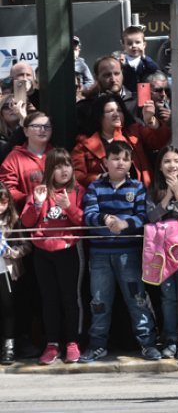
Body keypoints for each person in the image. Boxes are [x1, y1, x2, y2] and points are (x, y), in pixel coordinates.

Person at [79, 141, 161, 362]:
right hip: (100, 256)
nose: (120, 163)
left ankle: (148, 343)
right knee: (99, 301)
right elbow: (88, 216)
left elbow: (143, 216)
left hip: (129, 255)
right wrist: (105, 218)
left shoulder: (138, 187)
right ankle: (97, 344)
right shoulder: (95, 187)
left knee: (137, 299)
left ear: (131, 162)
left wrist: (125, 223)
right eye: (115, 158)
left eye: (125, 159)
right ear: (105, 162)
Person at [20, 148, 85, 365]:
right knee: (49, 299)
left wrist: (69, 207)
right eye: (58, 166)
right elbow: (27, 222)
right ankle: (52, 343)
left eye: (67, 165)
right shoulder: (40, 191)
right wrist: (38, 203)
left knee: (71, 298)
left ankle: (73, 342)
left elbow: (84, 222)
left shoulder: (78, 190)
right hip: (43, 252)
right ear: (49, 170)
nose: (64, 170)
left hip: (68, 250)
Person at [146, 146, 178, 360]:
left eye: (176, 161)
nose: (172, 165)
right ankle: (170, 339)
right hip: (160, 250)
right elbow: (151, 217)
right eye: (167, 161)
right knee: (167, 297)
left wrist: (177, 192)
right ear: (160, 165)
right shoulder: (153, 188)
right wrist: (167, 196)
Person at [72, 93, 170, 189]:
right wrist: (100, 177)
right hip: (104, 197)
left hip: (142, 194)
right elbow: (76, 174)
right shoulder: (84, 144)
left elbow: (161, 140)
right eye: (110, 111)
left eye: (119, 110)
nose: (116, 114)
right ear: (99, 117)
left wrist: (150, 120)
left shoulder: (135, 131)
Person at [0, 182, 32, 365]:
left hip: (8, 271)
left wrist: (11, 252)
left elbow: (27, 246)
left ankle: (9, 346)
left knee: (9, 308)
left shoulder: (14, 220)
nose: (0, 205)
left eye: (3, 201)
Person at [0, 111, 55, 211]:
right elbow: (6, 188)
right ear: (25, 131)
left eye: (47, 126)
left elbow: (71, 184)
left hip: (56, 214)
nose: (42, 130)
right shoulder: (14, 158)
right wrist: (27, 199)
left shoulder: (57, 155)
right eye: (36, 126)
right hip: (25, 214)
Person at [120, 25, 159, 95]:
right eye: (129, 44)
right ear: (124, 47)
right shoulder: (124, 61)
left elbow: (153, 69)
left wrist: (144, 57)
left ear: (144, 45)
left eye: (137, 42)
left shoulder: (145, 60)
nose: (134, 46)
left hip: (144, 93)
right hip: (128, 95)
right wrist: (123, 66)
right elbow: (122, 78)